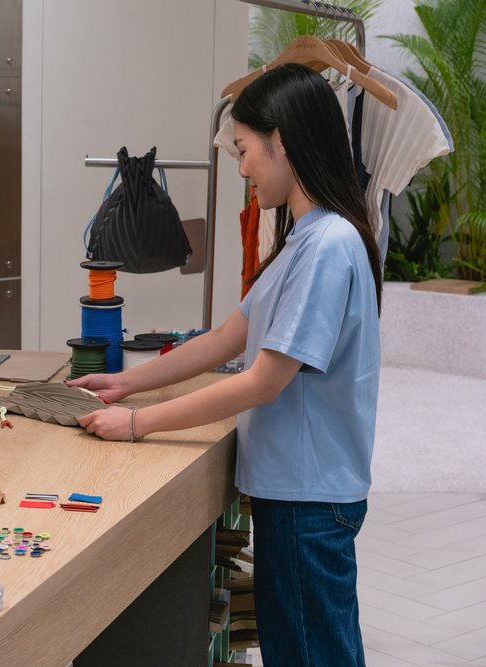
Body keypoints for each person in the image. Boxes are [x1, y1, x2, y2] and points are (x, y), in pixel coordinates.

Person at [68, 64, 382, 667]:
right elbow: (224, 339)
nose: (241, 169)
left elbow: (263, 382)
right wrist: (124, 382)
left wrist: (138, 424)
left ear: (281, 140)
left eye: (243, 150)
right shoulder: (305, 238)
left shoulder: (328, 245)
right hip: (297, 493)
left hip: (308, 499)